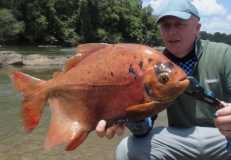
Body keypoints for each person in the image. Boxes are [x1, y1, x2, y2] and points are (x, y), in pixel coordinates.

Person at [96, 0, 231, 159]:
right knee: (127, 149)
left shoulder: (224, 54)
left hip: (223, 138)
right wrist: (128, 114)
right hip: (179, 140)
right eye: (166, 25)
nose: (171, 32)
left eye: (179, 24)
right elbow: (144, 128)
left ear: (197, 28)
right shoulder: (151, 65)